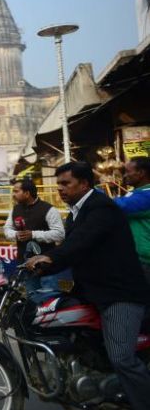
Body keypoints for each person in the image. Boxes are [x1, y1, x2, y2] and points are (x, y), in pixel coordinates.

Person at [25, 161, 150, 410]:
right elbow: (72, 250)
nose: (60, 189)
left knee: (122, 358)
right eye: (58, 184)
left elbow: (80, 243)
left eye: (65, 183)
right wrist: (44, 265)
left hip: (119, 294)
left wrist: (51, 258)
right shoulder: (77, 211)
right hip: (94, 291)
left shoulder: (101, 208)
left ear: (83, 184)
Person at [2, 178, 65, 302]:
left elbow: (60, 234)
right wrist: (16, 235)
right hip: (25, 265)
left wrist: (34, 235)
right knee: (32, 301)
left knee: (49, 302)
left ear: (27, 193)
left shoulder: (49, 209)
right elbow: (7, 230)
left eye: (16, 191)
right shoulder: (15, 210)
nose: (13, 195)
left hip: (46, 266)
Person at [114, 156, 150, 285]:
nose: (125, 175)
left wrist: (93, 191)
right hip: (137, 258)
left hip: (146, 260)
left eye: (128, 171)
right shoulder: (136, 193)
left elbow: (117, 206)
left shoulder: (147, 194)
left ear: (141, 173)